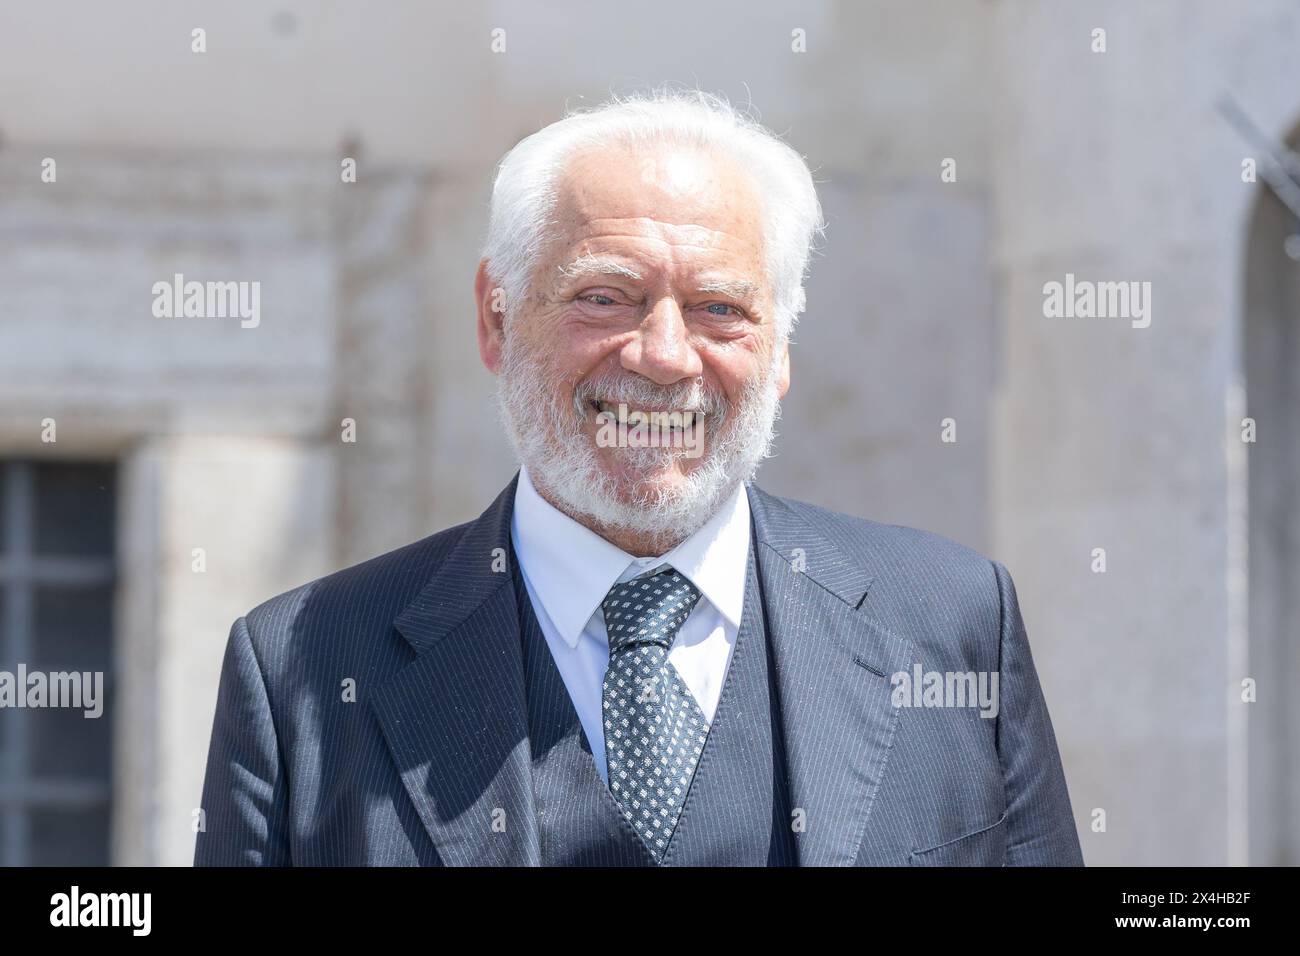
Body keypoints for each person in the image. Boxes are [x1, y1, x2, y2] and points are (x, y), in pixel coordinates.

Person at [195, 89, 1083, 866]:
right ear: (496, 319)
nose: (663, 356)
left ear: (779, 349)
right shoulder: (301, 673)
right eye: (605, 296)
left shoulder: (952, 626)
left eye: (720, 308)